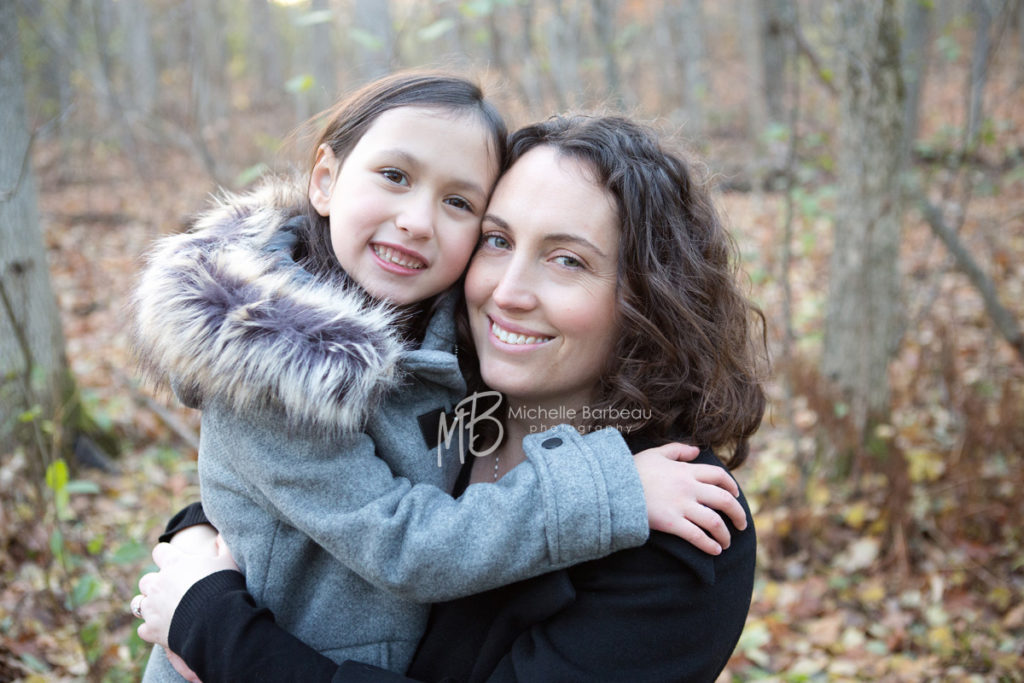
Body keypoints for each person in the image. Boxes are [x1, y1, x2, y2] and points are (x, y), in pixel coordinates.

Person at [130, 72, 750, 682]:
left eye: (567, 260)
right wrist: (193, 536)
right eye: (498, 240)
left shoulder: (680, 518)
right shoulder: (466, 401)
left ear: (650, 295)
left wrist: (211, 625)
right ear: (325, 180)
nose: (507, 293)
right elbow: (309, 499)